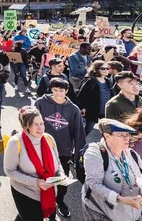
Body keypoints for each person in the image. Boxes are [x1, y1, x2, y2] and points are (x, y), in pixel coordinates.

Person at [34, 78, 86, 218]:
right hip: (41, 148)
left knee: (61, 181)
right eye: (55, 90)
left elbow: (79, 133)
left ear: (67, 91)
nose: (58, 94)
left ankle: (59, 201)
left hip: (63, 151)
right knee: (39, 178)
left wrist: (79, 158)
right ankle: (38, 204)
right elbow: (30, 123)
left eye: (61, 91)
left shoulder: (73, 109)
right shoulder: (40, 103)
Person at [4, 106, 63, 221]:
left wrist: (60, 174)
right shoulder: (15, 143)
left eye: (42, 123)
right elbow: (9, 171)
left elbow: (58, 163)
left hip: (49, 193)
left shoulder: (49, 139)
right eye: (36, 124)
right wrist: (36, 182)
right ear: (27, 126)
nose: (41, 128)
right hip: (25, 193)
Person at [81, 119, 142, 220]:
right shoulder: (95, 153)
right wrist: (121, 199)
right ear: (107, 136)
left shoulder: (132, 154)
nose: (127, 139)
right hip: (103, 212)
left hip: (133, 213)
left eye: (127, 135)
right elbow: (94, 184)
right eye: (121, 135)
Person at [77, 61, 115, 137]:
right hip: (92, 110)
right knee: (88, 129)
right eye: (103, 68)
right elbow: (82, 95)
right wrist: (82, 107)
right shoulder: (90, 81)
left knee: (107, 131)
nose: (106, 70)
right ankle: (80, 145)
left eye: (107, 68)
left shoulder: (108, 81)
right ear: (97, 69)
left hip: (105, 110)